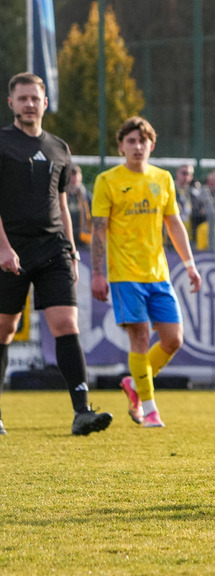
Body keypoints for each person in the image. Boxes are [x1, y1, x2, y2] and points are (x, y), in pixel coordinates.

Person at [0, 72, 113, 436]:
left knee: (66, 324)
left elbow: (63, 204)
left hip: (54, 250)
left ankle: (82, 411)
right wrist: (3, 246)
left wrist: (73, 251)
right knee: (5, 328)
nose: (30, 104)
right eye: (23, 98)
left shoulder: (59, 148)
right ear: (11, 103)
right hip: (10, 248)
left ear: (45, 103)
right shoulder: (2, 143)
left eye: (35, 98)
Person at [91, 116, 202, 428]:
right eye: (131, 141)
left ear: (151, 145)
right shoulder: (107, 181)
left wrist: (189, 264)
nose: (137, 146)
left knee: (173, 340)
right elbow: (99, 230)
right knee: (139, 337)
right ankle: (150, 409)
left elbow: (174, 223)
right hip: (125, 275)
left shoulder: (163, 179)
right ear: (121, 147)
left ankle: (135, 383)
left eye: (143, 141)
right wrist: (97, 273)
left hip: (159, 275)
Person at [67, 164, 92, 245]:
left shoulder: (87, 197)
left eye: (76, 174)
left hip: (83, 239)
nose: (74, 178)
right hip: (66, 238)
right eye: (72, 175)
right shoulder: (61, 196)